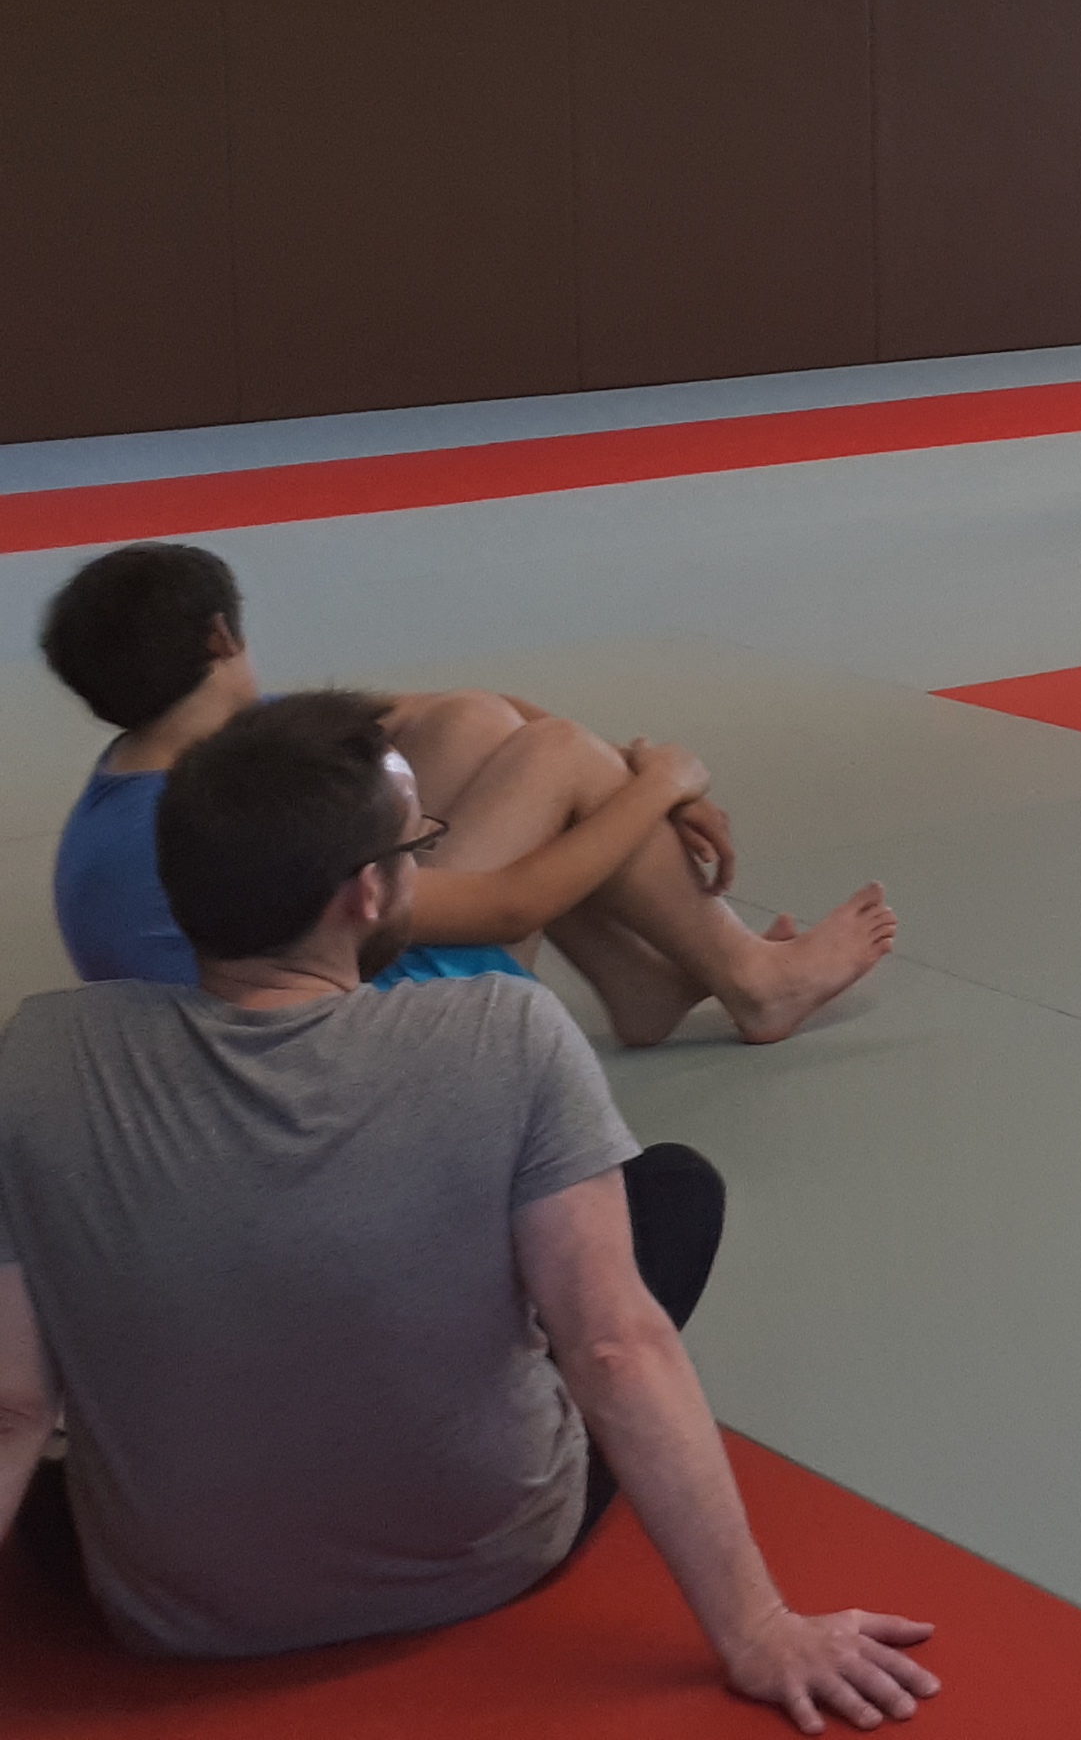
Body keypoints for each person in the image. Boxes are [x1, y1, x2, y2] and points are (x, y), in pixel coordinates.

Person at [0, 694, 944, 1725]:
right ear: (368, 892)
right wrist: (758, 1629)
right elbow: (614, 1349)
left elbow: (14, 1405)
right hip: (484, 1556)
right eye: (417, 850)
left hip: (178, 1604)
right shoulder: (504, 1032)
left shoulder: (42, 1056)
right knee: (672, 1195)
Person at [37, 545, 891, 1049]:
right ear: (223, 635)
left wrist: (629, 773)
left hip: (256, 1010)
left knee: (479, 725)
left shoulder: (177, 759)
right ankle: (752, 978)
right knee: (556, 758)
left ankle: (642, 981)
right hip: (322, 1048)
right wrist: (667, 782)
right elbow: (509, 904)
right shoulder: (224, 811)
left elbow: (448, 712)